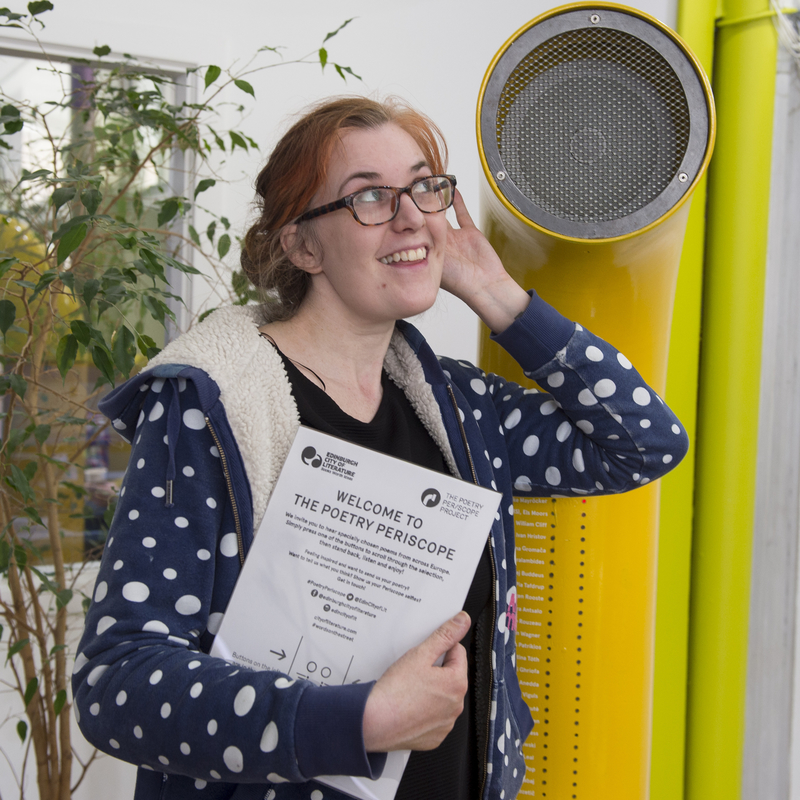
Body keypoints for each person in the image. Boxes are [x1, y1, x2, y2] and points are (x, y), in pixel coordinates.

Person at [72, 96, 689, 800]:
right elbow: (117, 685)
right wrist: (358, 720)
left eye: (425, 186)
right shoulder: (209, 406)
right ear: (303, 247)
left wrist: (499, 296)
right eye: (369, 196)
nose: (412, 216)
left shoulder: (460, 408)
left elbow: (642, 442)